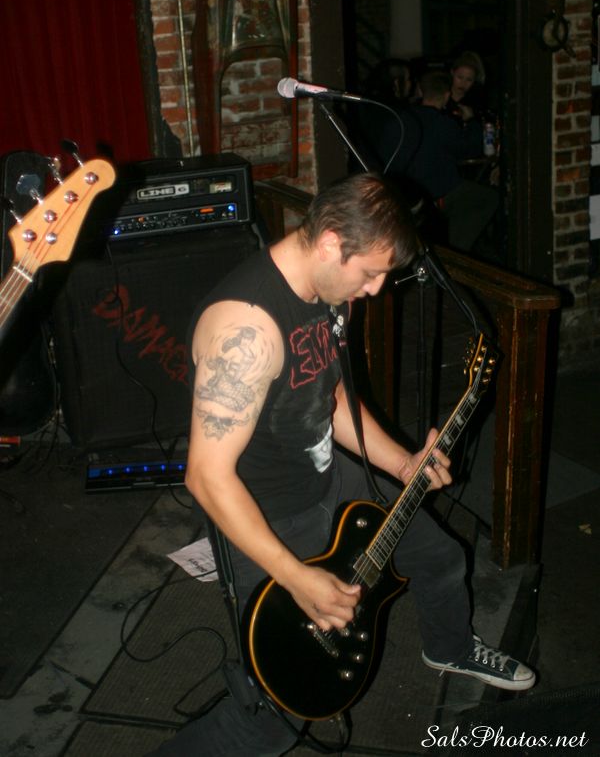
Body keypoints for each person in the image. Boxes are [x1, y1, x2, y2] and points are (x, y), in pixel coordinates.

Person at [149, 173, 534, 757]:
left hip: (332, 475)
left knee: (438, 557)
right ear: (331, 242)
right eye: (371, 273)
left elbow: (326, 397)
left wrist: (402, 462)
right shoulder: (246, 330)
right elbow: (206, 476)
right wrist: (293, 575)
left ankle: (450, 648)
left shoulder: (329, 292)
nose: (376, 290)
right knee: (277, 715)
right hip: (270, 516)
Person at [397, 70, 499, 253]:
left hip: (409, 190)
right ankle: (454, 251)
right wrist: (472, 121)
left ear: (420, 91)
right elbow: (469, 149)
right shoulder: (443, 123)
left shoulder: (404, 118)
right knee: (488, 198)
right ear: (446, 96)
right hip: (439, 192)